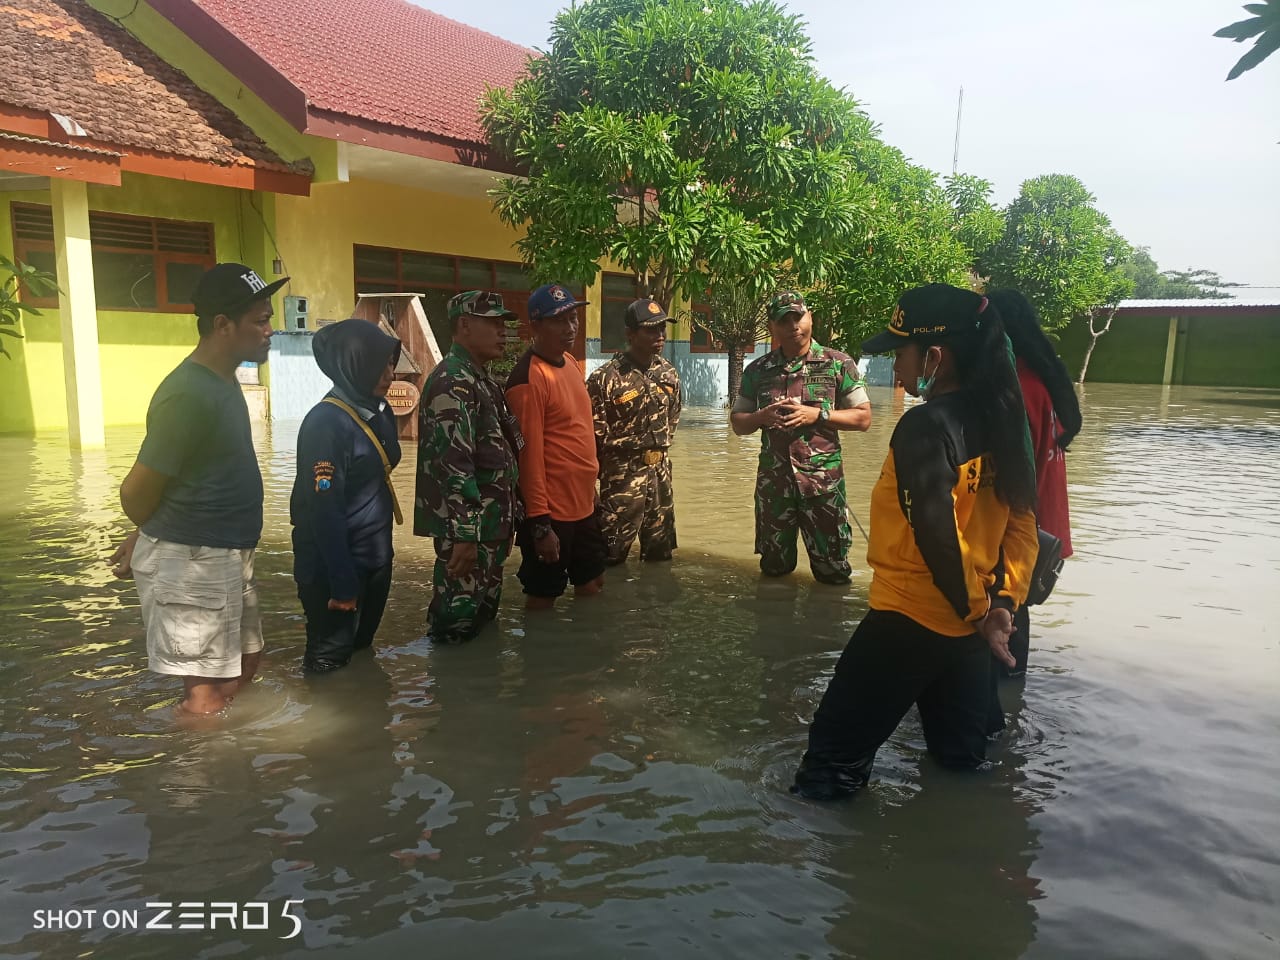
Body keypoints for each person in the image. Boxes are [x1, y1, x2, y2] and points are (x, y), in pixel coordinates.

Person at [792, 283, 1040, 801]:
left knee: (829, 771)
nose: (896, 369)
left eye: (900, 353)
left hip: (908, 620)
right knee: (963, 761)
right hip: (970, 634)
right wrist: (1000, 606)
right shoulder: (1003, 416)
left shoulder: (925, 426)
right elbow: (1023, 526)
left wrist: (979, 613)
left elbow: (936, 535)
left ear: (935, 356)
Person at [111, 262, 283, 717]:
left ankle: (231, 779)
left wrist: (146, 533)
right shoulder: (186, 394)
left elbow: (190, 476)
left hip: (224, 552)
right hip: (195, 559)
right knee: (205, 695)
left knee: (245, 667)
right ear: (223, 326)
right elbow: (135, 493)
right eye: (260, 320)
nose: (270, 330)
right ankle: (194, 786)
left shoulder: (223, 381)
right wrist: (153, 534)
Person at [730, 291, 872, 584]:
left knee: (832, 573)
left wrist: (817, 415)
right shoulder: (757, 370)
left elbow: (863, 418)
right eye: (784, 320)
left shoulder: (838, 363)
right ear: (772, 327)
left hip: (823, 487)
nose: (793, 325)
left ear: (810, 318)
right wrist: (761, 417)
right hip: (774, 488)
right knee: (773, 571)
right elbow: (738, 423)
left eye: (798, 317)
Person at [290, 318, 403, 672]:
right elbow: (324, 510)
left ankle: (368, 723)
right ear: (354, 364)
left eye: (390, 363)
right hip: (334, 567)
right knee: (328, 661)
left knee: (361, 653)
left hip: (374, 558)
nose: (389, 373)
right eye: (379, 364)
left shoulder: (379, 412)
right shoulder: (326, 425)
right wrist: (342, 584)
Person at [415, 291, 523, 643]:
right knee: (454, 629)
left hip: (489, 529)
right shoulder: (452, 382)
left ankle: (479, 693)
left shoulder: (482, 381)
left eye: (503, 324)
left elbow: (501, 455)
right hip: (469, 534)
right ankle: (449, 695)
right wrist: (464, 535)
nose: (502, 331)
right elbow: (453, 463)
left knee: (483, 622)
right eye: (492, 323)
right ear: (464, 325)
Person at [986, 288, 1079, 676]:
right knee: (1014, 626)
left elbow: (1000, 479)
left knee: (999, 635)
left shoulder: (1014, 387)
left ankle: (1000, 719)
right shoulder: (1044, 378)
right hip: (1042, 531)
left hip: (1016, 534)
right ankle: (1012, 715)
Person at [505, 283, 606, 609]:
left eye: (573, 318)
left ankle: (585, 655)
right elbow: (527, 457)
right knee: (543, 596)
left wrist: (592, 490)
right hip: (552, 512)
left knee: (592, 583)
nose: (570, 328)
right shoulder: (528, 379)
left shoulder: (571, 365)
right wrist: (540, 525)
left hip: (584, 506)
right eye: (559, 320)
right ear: (536, 326)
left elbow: (577, 435)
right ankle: (539, 657)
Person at [586, 298, 681, 565]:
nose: (660, 335)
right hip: (622, 480)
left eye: (662, 329)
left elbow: (672, 420)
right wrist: (590, 487)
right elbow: (592, 436)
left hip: (660, 478)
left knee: (660, 558)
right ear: (630, 333)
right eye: (651, 330)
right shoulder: (604, 379)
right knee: (609, 558)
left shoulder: (668, 373)